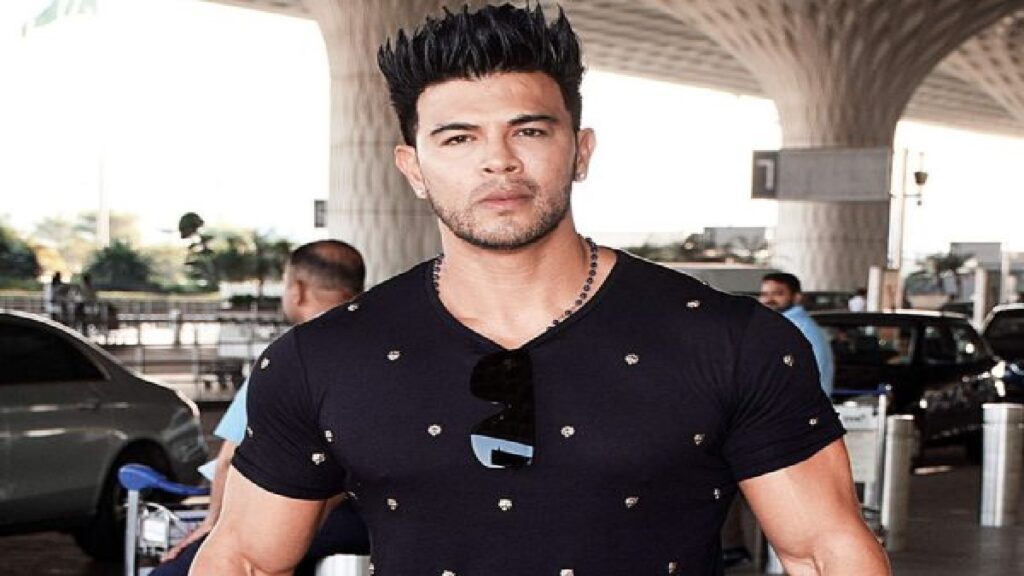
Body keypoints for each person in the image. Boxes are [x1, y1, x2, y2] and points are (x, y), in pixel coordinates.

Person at [193, 5, 888, 575]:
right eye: (459, 138)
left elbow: (825, 553)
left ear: (580, 151)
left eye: (528, 130)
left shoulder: (730, 340)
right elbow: (244, 558)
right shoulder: (322, 358)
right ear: (413, 168)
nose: (498, 160)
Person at [152, 240, 370, 576]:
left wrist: (212, 526)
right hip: (382, 516)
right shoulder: (387, 353)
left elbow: (230, 461)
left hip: (312, 507)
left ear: (297, 289)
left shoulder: (292, 358)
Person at [759, 272, 836, 397]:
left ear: (796, 297)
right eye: (764, 294)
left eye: (778, 294)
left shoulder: (793, 327)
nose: (768, 299)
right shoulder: (784, 324)